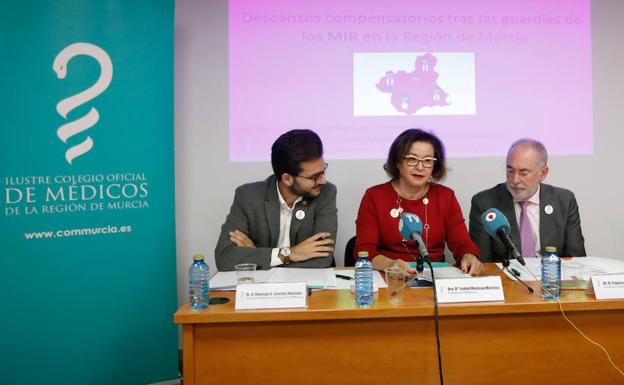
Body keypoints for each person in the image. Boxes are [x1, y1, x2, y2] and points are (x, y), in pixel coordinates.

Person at [355, 128, 483, 276]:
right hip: (389, 277)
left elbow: (463, 245)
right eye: (412, 159)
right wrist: (391, 265)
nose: (420, 167)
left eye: (428, 160)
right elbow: (364, 251)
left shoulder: (445, 196)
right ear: (397, 161)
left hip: (432, 280)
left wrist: (469, 256)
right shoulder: (375, 196)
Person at [215, 129, 337, 271]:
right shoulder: (247, 196)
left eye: (323, 171)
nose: (323, 180)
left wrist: (258, 256)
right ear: (287, 179)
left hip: (309, 289)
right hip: (260, 290)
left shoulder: (326, 193)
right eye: (314, 177)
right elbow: (224, 258)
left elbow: (322, 261)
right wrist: (290, 254)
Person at [469, 138, 586, 262]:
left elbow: (576, 259)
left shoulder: (564, 201)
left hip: (551, 277)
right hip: (506, 278)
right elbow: (483, 263)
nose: (515, 180)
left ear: (543, 173)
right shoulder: (484, 203)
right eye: (510, 171)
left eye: (523, 173)